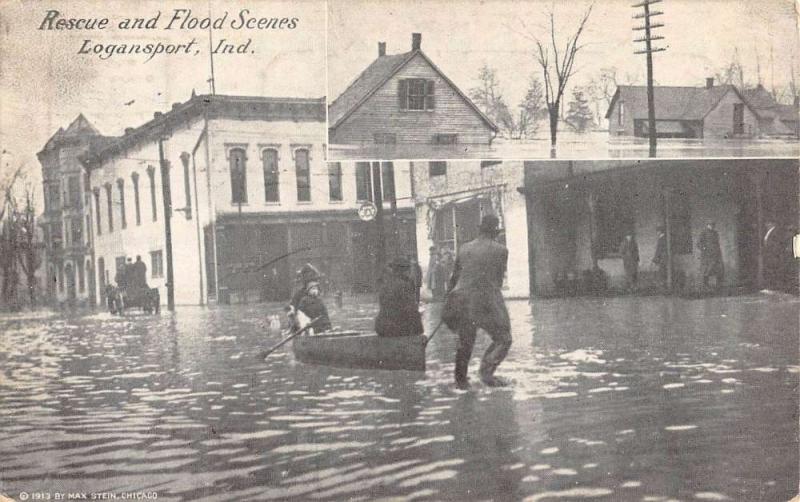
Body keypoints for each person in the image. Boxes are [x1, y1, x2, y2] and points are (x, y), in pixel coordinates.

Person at [442, 214, 512, 389]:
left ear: (480, 230)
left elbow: (454, 278)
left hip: (460, 299)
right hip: (486, 299)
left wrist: (448, 301)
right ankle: (486, 373)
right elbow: (497, 281)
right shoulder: (501, 250)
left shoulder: (464, 248)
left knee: (465, 341)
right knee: (504, 338)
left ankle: (460, 381)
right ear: (495, 232)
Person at [375, 256, 424, 337]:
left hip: (382, 328)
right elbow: (410, 309)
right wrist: (419, 331)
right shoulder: (404, 285)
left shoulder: (386, 284)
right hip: (398, 329)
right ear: (405, 271)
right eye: (409, 269)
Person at [288, 263, 332, 333]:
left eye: (316, 288)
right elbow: (294, 311)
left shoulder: (318, 299)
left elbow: (324, 313)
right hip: (303, 325)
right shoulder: (299, 295)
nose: (315, 290)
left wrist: (328, 326)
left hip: (318, 326)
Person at [697, 221, 724, 289]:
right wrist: (703, 248)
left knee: (719, 268)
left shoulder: (715, 233)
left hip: (716, 254)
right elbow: (698, 243)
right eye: (710, 225)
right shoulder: (703, 233)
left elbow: (717, 243)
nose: (712, 226)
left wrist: (719, 252)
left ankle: (718, 285)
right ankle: (705, 285)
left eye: (713, 225)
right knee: (707, 270)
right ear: (707, 225)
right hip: (707, 255)